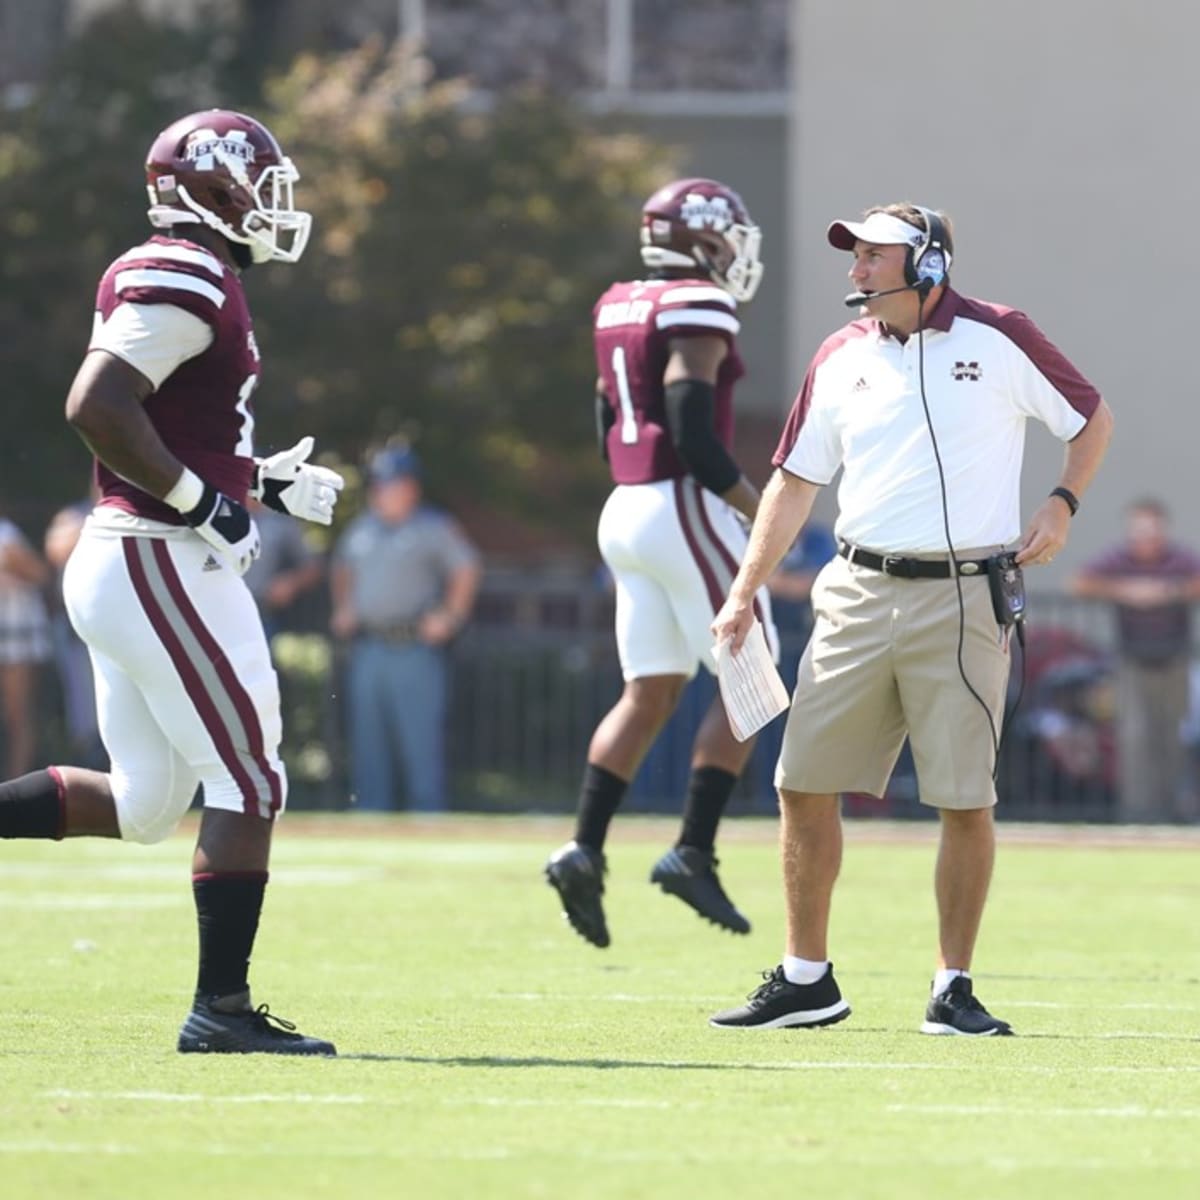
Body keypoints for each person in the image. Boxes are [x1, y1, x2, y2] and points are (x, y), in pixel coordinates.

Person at [707, 202, 1114, 1034]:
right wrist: (745, 588)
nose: (854, 270)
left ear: (927, 264)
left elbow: (1091, 418)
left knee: (965, 800)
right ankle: (806, 979)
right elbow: (792, 482)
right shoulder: (837, 355)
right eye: (852, 255)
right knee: (801, 785)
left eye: (872, 255)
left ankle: (951, 989)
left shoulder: (1001, 334)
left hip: (965, 596)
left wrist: (1063, 504)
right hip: (854, 591)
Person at [0, 109, 345, 1055]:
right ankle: (221, 1012)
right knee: (252, 778)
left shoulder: (192, 274)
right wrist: (206, 503)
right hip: (159, 555)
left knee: (150, 803)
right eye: (264, 182)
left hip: (139, 554)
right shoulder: (184, 271)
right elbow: (98, 408)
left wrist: (257, 479)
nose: (277, 203)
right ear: (215, 185)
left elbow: (165, 418)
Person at [544, 176, 777, 948]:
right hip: (681, 501)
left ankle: (584, 846)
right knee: (758, 678)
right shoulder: (697, 303)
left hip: (626, 504)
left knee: (650, 690)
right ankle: (693, 850)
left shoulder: (618, 301)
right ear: (703, 238)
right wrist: (756, 507)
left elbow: (607, 414)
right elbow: (690, 425)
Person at [330, 444, 481, 813]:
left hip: (414, 646)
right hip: (369, 646)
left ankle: (429, 816)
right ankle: (368, 816)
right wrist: (344, 607)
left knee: (421, 742)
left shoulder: (433, 527)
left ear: (412, 488)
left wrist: (450, 616)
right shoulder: (362, 528)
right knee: (369, 743)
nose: (383, 491)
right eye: (379, 485)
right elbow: (342, 567)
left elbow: (467, 568)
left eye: (392, 484)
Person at [1070, 498, 1200, 822]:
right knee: (1133, 737)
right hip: (1130, 662)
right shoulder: (1119, 558)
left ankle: (1172, 811)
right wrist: (1126, 590)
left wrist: (1167, 592)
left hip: (1173, 660)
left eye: (1151, 528)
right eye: (1139, 528)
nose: (1145, 535)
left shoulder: (1179, 558)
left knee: (1173, 737)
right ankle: (1137, 814)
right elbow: (1079, 582)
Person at [43, 497, 106, 769]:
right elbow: (56, 549)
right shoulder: (76, 515)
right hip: (77, 629)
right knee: (84, 704)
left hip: (120, 626)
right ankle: (89, 765)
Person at [0, 513, 51, 777]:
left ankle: (15, 783)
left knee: (17, 713)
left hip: (18, 636)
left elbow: (41, 575)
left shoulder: (6, 534)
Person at [244, 499, 327, 642]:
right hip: (216, 610)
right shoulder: (217, 511)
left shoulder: (281, 522)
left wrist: (290, 583)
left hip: (262, 614)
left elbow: (312, 567)